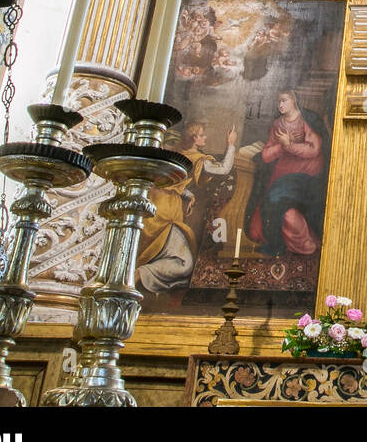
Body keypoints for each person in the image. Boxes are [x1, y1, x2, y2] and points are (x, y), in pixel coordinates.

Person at [138, 123, 238, 293]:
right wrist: (231, 145)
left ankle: (139, 273)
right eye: (202, 135)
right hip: (167, 210)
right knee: (184, 264)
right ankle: (138, 275)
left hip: (153, 202)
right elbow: (223, 169)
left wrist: (188, 195)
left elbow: (172, 183)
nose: (205, 137)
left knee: (152, 251)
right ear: (194, 138)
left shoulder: (178, 154)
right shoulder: (197, 159)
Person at [247, 92, 330, 256]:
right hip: (282, 174)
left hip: (306, 174)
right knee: (257, 229)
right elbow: (265, 155)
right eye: (278, 101)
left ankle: (300, 243)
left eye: (284, 100)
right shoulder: (277, 124)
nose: (280, 105)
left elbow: (315, 150)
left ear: (294, 101)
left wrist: (290, 145)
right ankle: (277, 243)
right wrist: (282, 146)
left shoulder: (307, 120)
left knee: (286, 210)